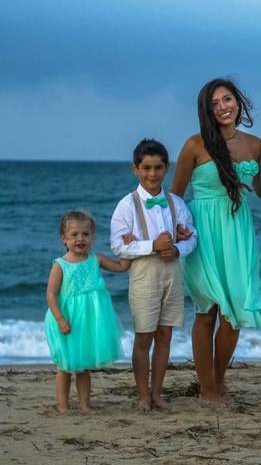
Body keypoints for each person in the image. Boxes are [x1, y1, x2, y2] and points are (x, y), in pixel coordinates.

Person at [171, 78, 261, 404]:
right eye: (215, 104)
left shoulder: (256, 145)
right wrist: (176, 229)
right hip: (203, 232)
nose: (223, 107)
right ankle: (208, 388)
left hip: (238, 231)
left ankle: (217, 380)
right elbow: (175, 197)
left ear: (238, 101)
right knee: (208, 310)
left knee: (237, 312)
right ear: (207, 111)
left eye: (227, 99)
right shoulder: (194, 145)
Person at [110, 138, 197, 412]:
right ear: (135, 168)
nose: (152, 174)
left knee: (165, 335)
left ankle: (158, 393)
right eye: (146, 168)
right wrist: (151, 246)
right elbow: (117, 244)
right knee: (144, 336)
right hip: (144, 277)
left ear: (166, 168)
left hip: (173, 275)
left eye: (158, 168)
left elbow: (192, 235)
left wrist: (179, 248)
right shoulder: (127, 205)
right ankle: (143, 395)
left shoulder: (176, 203)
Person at [45, 210, 129, 413]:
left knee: (83, 366)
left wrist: (128, 246)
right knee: (65, 366)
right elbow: (51, 294)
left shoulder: (96, 259)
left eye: (85, 234)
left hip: (90, 321)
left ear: (92, 237)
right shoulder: (61, 265)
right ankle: (63, 405)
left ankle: (84, 404)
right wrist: (60, 319)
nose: (80, 239)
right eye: (74, 235)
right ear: (64, 239)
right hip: (67, 320)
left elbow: (121, 267)